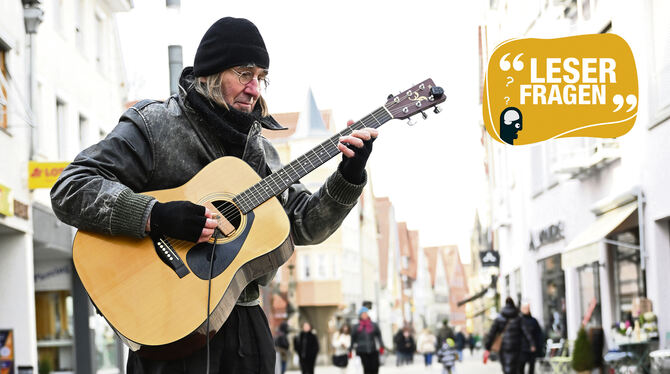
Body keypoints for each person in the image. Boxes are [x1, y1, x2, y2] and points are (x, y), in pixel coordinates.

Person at [50, 16, 377, 374]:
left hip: (245, 331)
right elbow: (71, 187)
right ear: (211, 72)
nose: (255, 88)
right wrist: (155, 215)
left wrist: (349, 174)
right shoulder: (155, 125)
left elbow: (305, 224)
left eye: (261, 78)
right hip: (168, 329)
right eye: (244, 74)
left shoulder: (261, 152)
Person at [484, 298, 535, 374]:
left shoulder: (499, 319)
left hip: (503, 347)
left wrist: (488, 347)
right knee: (514, 368)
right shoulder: (519, 318)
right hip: (516, 347)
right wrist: (532, 344)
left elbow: (492, 334)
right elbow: (526, 332)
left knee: (506, 368)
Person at [350, 307, 385, 374]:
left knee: (375, 367)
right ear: (360, 315)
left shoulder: (373, 325)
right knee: (367, 368)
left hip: (373, 349)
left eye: (366, 313)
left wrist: (381, 346)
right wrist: (350, 350)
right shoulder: (356, 326)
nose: (365, 315)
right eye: (363, 314)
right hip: (361, 351)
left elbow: (379, 336)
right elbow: (352, 339)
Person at [519, 302, 544, 374]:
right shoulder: (519, 321)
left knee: (531, 368)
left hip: (532, 349)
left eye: (527, 308)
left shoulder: (533, 321)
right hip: (522, 349)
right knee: (521, 368)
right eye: (524, 308)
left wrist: (538, 346)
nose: (526, 310)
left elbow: (539, 334)